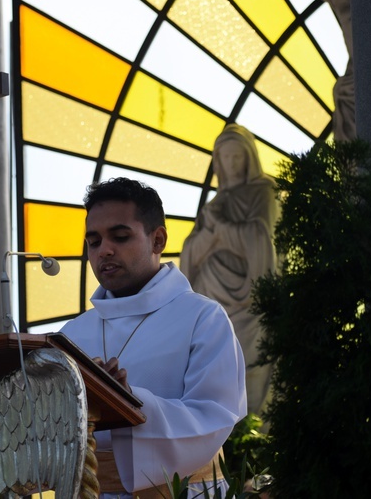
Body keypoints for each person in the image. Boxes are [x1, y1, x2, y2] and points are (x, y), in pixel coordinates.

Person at [60, 177, 247, 498]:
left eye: (120, 236)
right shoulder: (70, 336)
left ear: (157, 239)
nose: (104, 250)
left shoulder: (202, 317)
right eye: (93, 242)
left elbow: (216, 416)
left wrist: (129, 401)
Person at [180, 124, 279, 417]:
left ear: (249, 158)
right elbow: (190, 255)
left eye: (238, 157)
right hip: (212, 299)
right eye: (227, 158)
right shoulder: (214, 205)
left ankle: (252, 438)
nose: (233, 164)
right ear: (218, 162)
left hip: (249, 303)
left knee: (253, 368)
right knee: (219, 372)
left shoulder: (264, 192)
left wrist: (222, 230)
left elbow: (262, 238)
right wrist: (210, 238)